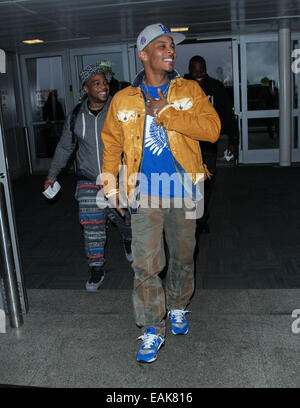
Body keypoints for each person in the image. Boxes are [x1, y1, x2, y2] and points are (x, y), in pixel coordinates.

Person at [100, 24, 220, 363]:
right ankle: (152, 327)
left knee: (183, 257)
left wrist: (167, 113)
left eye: (172, 46)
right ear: (143, 54)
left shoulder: (189, 91)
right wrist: (110, 185)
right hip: (145, 195)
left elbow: (212, 130)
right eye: (162, 45)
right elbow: (110, 143)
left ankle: (178, 306)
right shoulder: (123, 99)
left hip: (184, 191)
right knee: (146, 265)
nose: (171, 51)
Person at [44, 64, 132, 292]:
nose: (104, 87)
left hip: (118, 179)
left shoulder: (119, 108)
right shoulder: (76, 116)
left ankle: (128, 239)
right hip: (88, 179)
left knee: (125, 219)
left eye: (105, 82)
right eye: (97, 83)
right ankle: (96, 269)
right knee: (92, 225)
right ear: (86, 89)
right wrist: (52, 175)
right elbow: (65, 147)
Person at [185, 55, 239, 233]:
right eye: (195, 69)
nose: (198, 73)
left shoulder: (215, 87)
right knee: (189, 185)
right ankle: (192, 218)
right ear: (189, 70)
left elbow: (228, 116)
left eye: (201, 69)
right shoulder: (181, 86)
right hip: (186, 146)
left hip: (208, 146)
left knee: (206, 184)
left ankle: (200, 218)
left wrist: (232, 141)